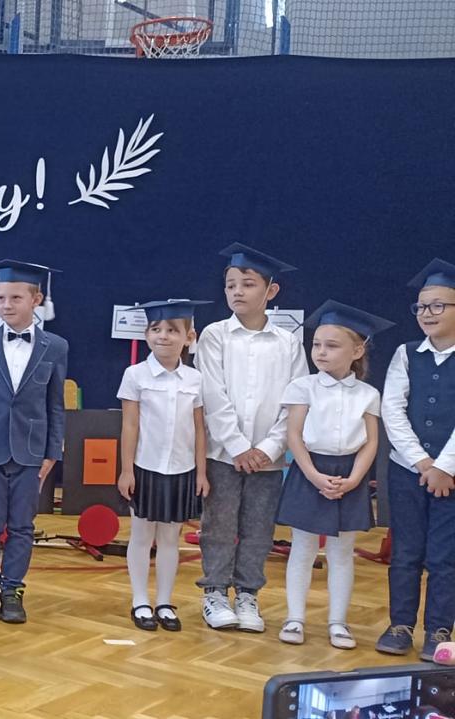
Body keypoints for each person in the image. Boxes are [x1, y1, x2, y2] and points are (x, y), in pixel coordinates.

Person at [196, 243, 308, 632]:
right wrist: (239, 446)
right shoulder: (214, 335)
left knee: (259, 527)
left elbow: (296, 399)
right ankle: (214, 591)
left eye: (247, 284)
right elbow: (212, 394)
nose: (237, 291)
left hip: (268, 459)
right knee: (219, 524)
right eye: (230, 285)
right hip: (223, 453)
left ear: (270, 291)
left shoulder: (288, 342)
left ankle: (248, 594)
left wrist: (269, 448)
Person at [275, 301, 391, 649]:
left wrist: (355, 479)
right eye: (316, 345)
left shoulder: (368, 394)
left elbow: (371, 442)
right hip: (310, 471)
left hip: (350, 475)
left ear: (357, 351)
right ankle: (294, 618)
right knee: (303, 548)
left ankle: (338, 622)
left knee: (342, 552)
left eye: (332, 345)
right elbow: (294, 435)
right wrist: (312, 475)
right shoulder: (303, 387)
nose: (321, 352)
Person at [0, 259, 69, 625]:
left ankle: (13, 589)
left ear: (36, 299)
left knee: (23, 524)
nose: (6, 305)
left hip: (31, 451)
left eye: (15, 298)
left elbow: (55, 404)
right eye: (0, 298)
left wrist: (52, 452)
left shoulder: (56, 347)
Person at [377, 258, 455, 660]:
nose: (427, 313)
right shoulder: (407, 353)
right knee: (405, 552)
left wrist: (445, 466)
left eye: (438, 305)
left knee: (445, 556)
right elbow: (392, 409)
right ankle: (400, 624)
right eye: (422, 306)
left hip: (452, 475)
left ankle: (439, 629)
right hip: (408, 471)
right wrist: (423, 463)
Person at [116, 300, 210, 632]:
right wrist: (127, 469)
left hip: (182, 469)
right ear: (146, 335)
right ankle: (140, 600)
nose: (163, 336)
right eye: (156, 330)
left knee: (171, 538)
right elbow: (130, 425)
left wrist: (201, 472)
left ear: (189, 337)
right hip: (145, 467)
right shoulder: (135, 375)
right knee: (142, 535)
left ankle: (165, 602)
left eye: (172, 330)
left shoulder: (195, 379)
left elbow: (199, 428)